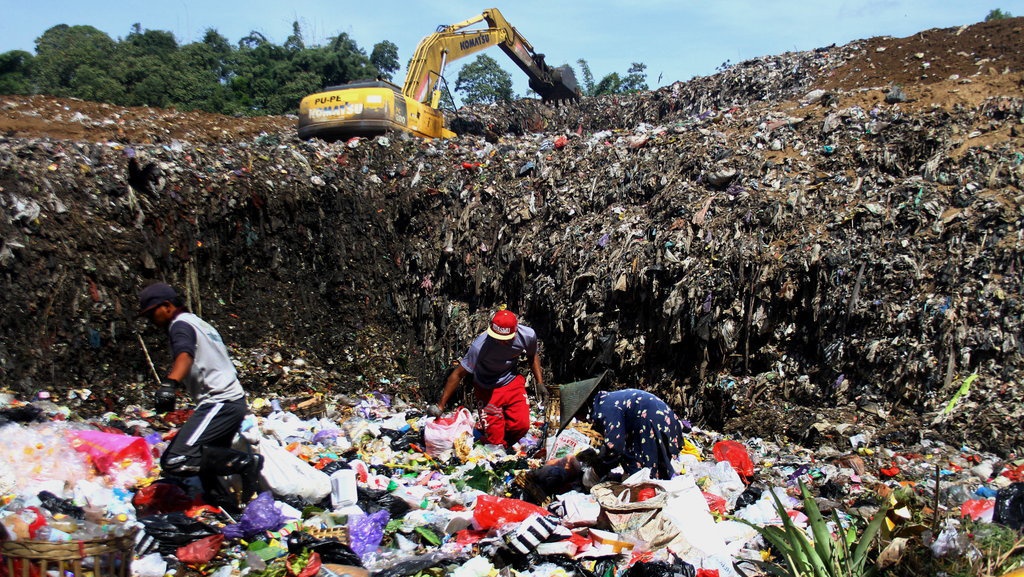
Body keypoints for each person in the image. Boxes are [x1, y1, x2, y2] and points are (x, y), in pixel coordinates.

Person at [137, 282, 263, 511]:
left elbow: (185, 355)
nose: (150, 320)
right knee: (207, 463)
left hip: (219, 401)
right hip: (232, 402)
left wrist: (169, 384)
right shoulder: (200, 323)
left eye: (151, 313)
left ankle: (247, 463)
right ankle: (225, 509)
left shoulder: (180, 325)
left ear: (166, 306)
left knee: (177, 460)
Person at [437, 309, 543, 449]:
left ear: (515, 332)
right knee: (495, 440)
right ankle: (496, 445)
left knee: (521, 426)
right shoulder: (479, 346)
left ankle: (504, 446)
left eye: (505, 339)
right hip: (487, 388)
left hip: (511, 382)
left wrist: (540, 382)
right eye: (497, 337)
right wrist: (441, 405)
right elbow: (458, 374)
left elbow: (532, 355)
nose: (500, 342)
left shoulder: (527, 335)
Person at [557, 372, 687, 480]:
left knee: (645, 476)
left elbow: (615, 445)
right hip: (660, 418)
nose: (580, 419)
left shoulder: (605, 407)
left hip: (651, 421)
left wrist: (598, 469)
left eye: (577, 414)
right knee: (650, 471)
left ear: (583, 407)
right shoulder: (605, 401)